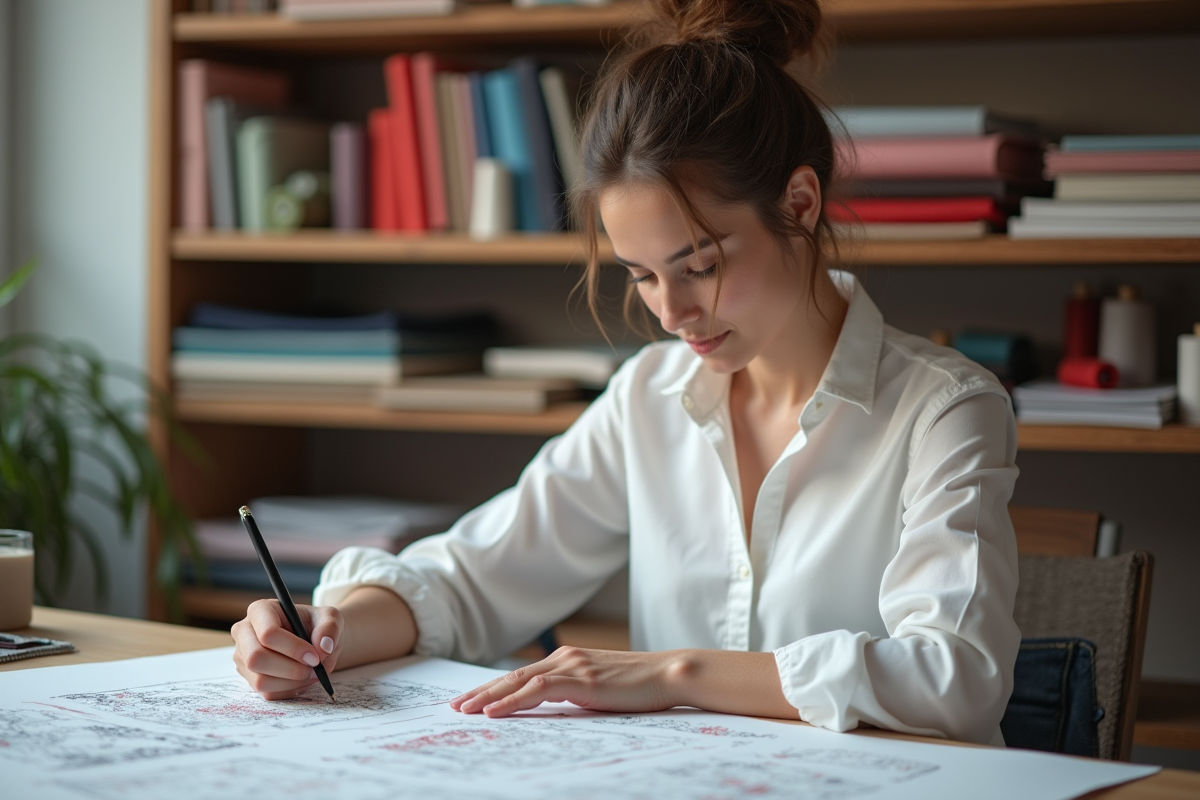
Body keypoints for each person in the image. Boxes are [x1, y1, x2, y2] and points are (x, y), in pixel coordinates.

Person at [232, 0, 1021, 746]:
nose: (670, 312)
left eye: (700, 264)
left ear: (803, 203)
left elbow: (956, 679)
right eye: (641, 274)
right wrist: (324, 632)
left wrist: (672, 674)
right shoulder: (651, 395)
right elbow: (474, 580)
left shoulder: (945, 409)